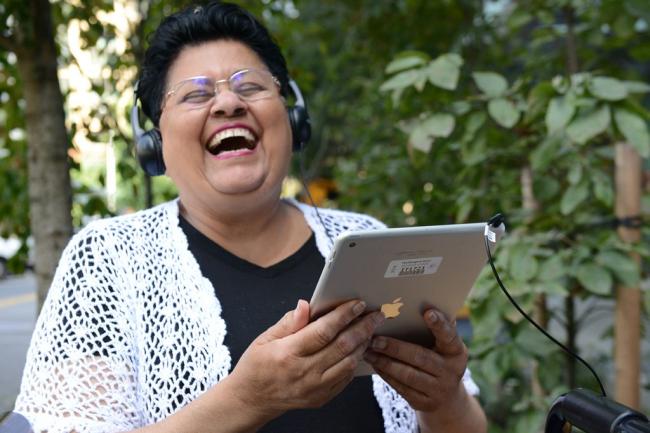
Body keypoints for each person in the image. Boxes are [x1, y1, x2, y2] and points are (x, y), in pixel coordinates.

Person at [14, 2, 488, 432]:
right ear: (154, 143)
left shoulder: (366, 238)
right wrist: (247, 400)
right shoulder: (107, 259)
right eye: (195, 95)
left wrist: (443, 397)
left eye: (251, 86)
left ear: (292, 119)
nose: (227, 103)